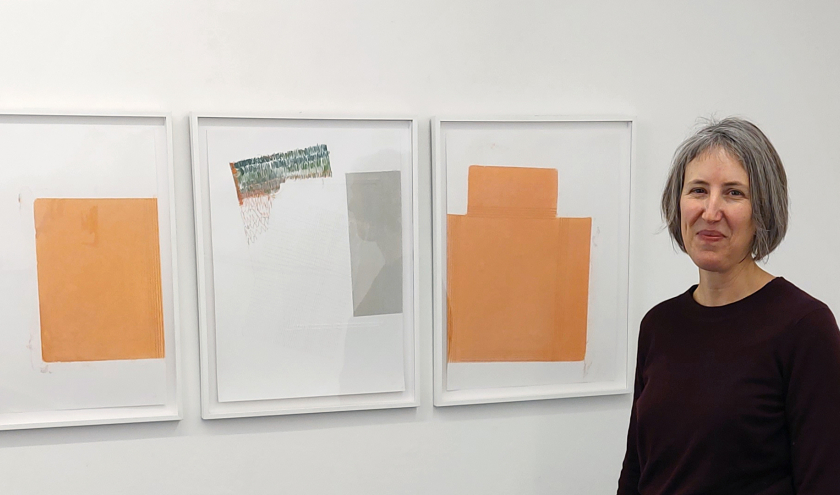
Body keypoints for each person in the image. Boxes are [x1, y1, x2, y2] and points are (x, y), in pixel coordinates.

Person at [617, 117, 840, 494]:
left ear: (762, 211)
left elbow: (825, 480)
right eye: (698, 190)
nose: (710, 211)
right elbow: (636, 471)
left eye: (734, 193)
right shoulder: (658, 325)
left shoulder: (805, 327)